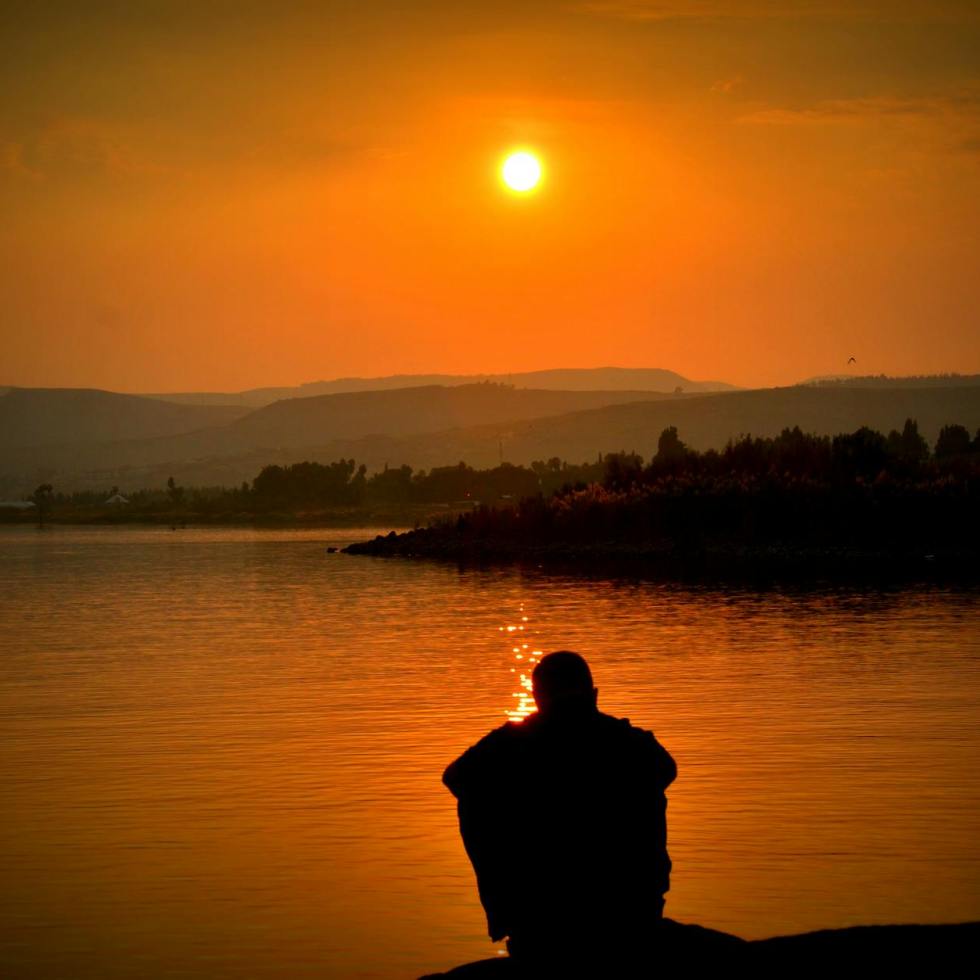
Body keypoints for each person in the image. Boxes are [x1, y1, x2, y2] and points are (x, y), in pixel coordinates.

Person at [443, 651, 676, 975]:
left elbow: (455, 778)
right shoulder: (628, 741)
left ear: (537, 699)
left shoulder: (511, 743)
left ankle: (513, 912)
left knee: (474, 797)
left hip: (543, 908)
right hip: (630, 905)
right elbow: (666, 770)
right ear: (594, 695)